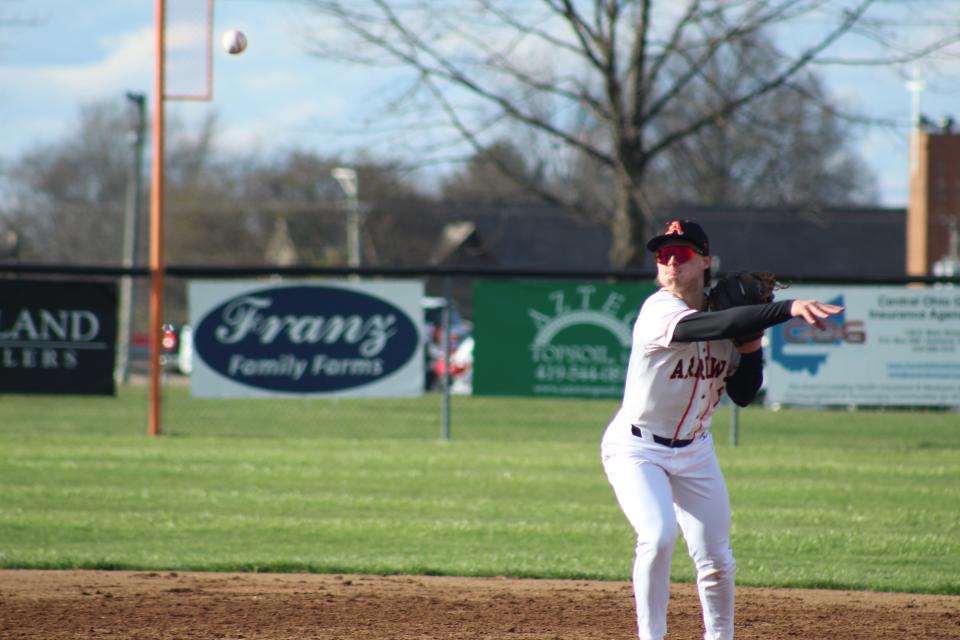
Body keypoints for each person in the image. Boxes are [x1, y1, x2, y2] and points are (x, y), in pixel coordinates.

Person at [600, 219, 843, 640]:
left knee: (716, 559)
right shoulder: (659, 310)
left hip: (695, 450)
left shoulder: (729, 326)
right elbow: (705, 327)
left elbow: (746, 392)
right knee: (657, 537)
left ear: (705, 261)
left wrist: (750, 343)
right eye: (663, 255)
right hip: (636, 448)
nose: (670, 262)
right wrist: (784, 309)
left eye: (682, 253)